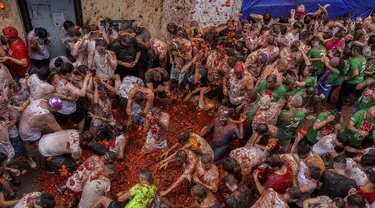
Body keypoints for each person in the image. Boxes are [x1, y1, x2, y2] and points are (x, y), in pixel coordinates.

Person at [19, 96, 63, 168]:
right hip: (29, 133)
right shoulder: (48, 116)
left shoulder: (41, 100)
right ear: (52, 108)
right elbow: (60, 131)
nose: (59, 110)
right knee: (45, 148)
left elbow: (53, 94)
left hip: (25, 124)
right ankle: (43, 164)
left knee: (50, 131)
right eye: (58, 109)